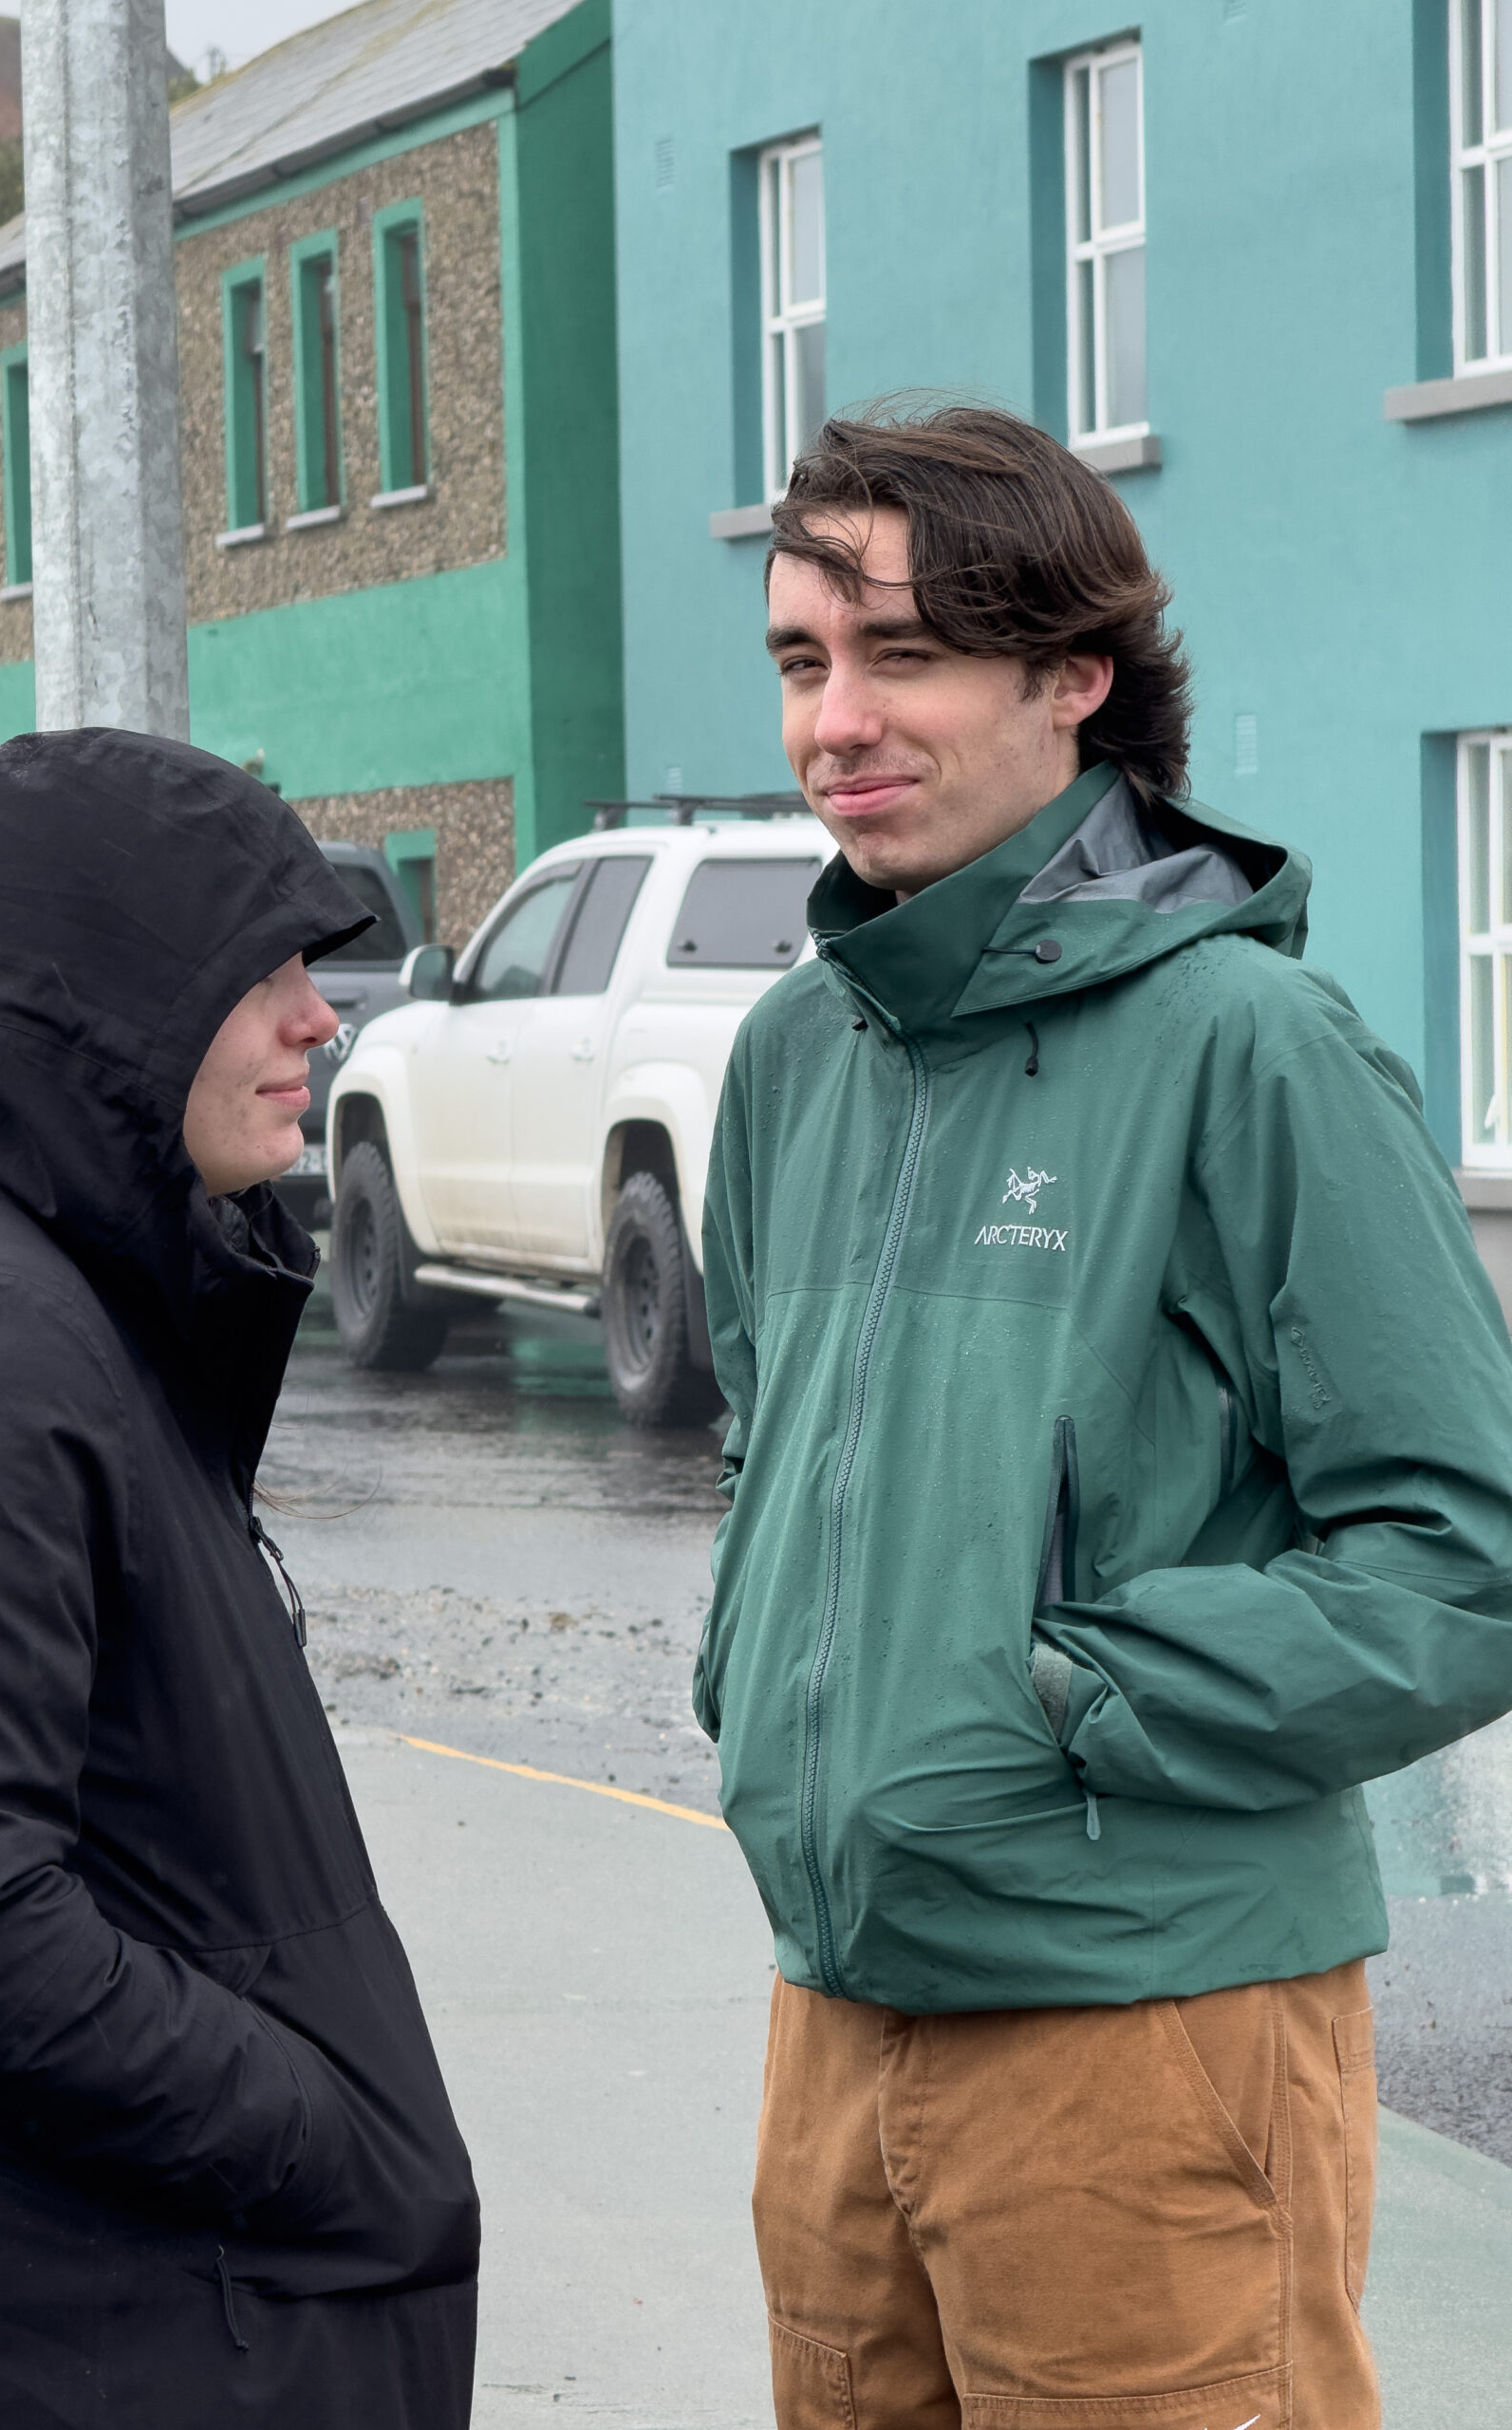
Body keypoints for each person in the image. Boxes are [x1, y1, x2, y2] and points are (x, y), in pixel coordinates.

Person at [696, 405, 1512, 2430]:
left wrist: (1077, 1694)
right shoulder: (800, 1052)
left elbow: (1466, 1540)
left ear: (1074, 677)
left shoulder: (1250, 1043)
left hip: (1146, 2022)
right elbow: (765, 1448)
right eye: (805, 663)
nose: (838, 722)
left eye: (904, 655)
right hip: (836, 2017)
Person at [0, 730, 479, 2428]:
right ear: (105, 1002)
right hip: (152, 2336)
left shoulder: (49, 1303)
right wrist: (321, 2143)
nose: (319, 1017)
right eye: (264, 970)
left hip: (185, 2319)